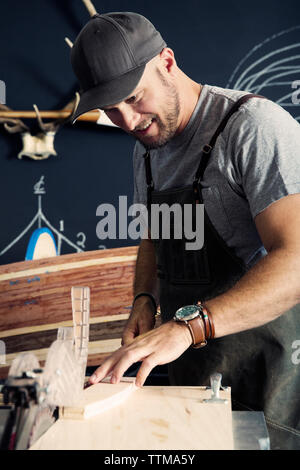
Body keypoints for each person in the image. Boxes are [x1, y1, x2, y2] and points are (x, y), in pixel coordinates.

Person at [71, 12, 300, 449]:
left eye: (135, 98)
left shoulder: (252, 127)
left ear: (168, 62)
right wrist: (145, 299)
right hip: (195, 387)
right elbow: (155, 238)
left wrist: (187, 327)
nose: (128, 121)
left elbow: (297, 261)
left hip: (275, 387)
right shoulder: (147, 150)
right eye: (110, 110)